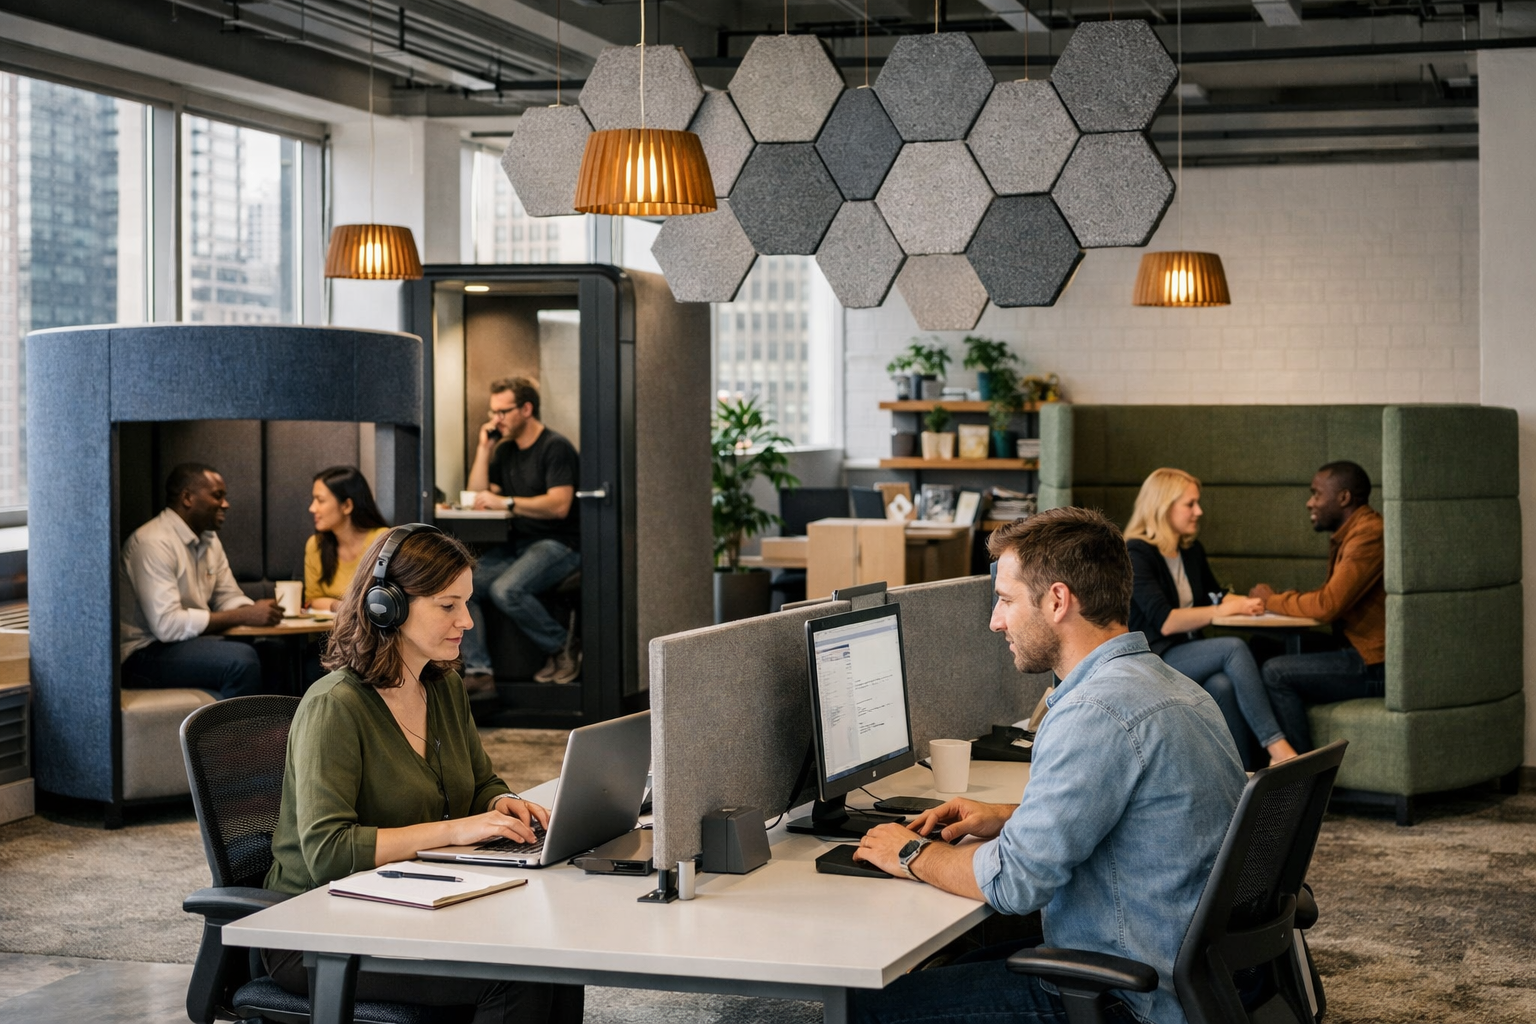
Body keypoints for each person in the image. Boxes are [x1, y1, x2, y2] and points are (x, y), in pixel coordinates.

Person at [849, 507, 1247, 1024]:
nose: (995, 621)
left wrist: (908, 852)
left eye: (1006, 600)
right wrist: (1012, 817)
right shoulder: (1175, 688)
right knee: (949, 969)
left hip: (1128, 993)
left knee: (866, 1009)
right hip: (1195, 974)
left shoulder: (1093, 712)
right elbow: (1147, 817)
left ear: (1057, 600)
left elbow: (1014, 883)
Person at [262, 525, 583, 1024]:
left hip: (407, 899)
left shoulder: (444, 686)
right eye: (448, 605)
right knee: (513, 973)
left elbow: (480, 784)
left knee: (553, 952)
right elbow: (328, 854)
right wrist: (458, 830)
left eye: (467, 603)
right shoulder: (335, 706)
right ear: (386, 606)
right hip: (315, 930)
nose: (468, 622)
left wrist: (502, 805)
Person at [1124, 467, 1299, 768]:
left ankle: (1241, 778)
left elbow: (1212, 595)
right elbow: (1165, 621)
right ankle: (1278, 746)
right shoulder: (1136, 553)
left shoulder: (1190, 551)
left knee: (1223, 686)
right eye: (1190, 504)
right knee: (1233, 647)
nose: (1199, 511)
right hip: (1154, 657)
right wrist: (1222, 610)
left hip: (1185, 652)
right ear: (1163, 506)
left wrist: (1248, 603)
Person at [1250, 460, 1385, 753]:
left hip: (1374, 664)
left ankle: (1302, 781)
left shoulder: (1369, 534)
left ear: (1344, 497)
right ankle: (1256, 764)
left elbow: (1327, 605)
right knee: (1258, 648)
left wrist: (1270, 600)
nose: (1310, 502)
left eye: (1317, 494)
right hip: (1352, 648)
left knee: (1276, 672)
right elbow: (1329, 598)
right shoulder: (1352, 532)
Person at [120, 463, 285, 699]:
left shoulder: (209, 540)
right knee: (240, 661)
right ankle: (231, 737)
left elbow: (226, 595)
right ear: (187, 498)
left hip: (189, 642)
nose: (225, 504)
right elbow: (167, 625)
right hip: (143, 653)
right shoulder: (153, 542)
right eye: (218, 496)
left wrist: (253, 610)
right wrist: (244, 616)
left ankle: (273, 736)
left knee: (275, 652)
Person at [460, 377, 582, 689]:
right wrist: (483, 449)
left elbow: (560, 505)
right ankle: (479, 670)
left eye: (503, 411)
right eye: (493, 412)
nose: (495, 419)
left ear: (526, 409)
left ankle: (563, 646)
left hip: (560, 544)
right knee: (462, 586)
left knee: (506, 590)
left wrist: (509, 502)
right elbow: (477, 496)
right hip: (520, 545)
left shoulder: (555, 447)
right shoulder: (504, 451)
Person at [304, 465, 390, 611]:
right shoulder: (315, 545)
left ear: (347, 506)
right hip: (327, 632)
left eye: (320, 500)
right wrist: (341, 607)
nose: (312, 508)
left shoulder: (383, 541)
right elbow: (312, 600)